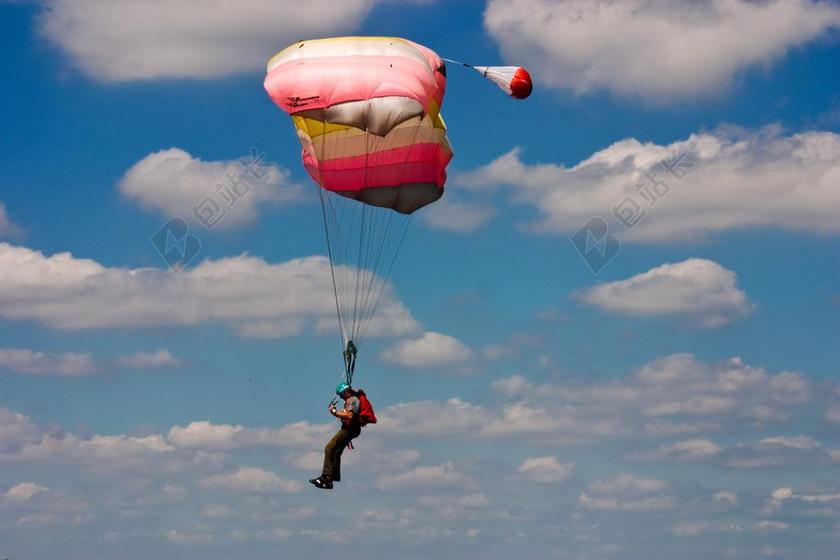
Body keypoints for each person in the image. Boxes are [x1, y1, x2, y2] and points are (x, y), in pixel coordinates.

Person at [309, 382, 361, 490]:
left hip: (349, 429)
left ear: (346, 392)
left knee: (329, 447)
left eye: (341, 394)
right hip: (350, 429)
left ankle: (326, 477)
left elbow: (350, 415)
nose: (341, 397)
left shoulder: (353, 400)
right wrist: (336, 412)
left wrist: (335, 412)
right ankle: (331, 478)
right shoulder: (349, 400)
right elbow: (346, 414)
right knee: (336, 451)